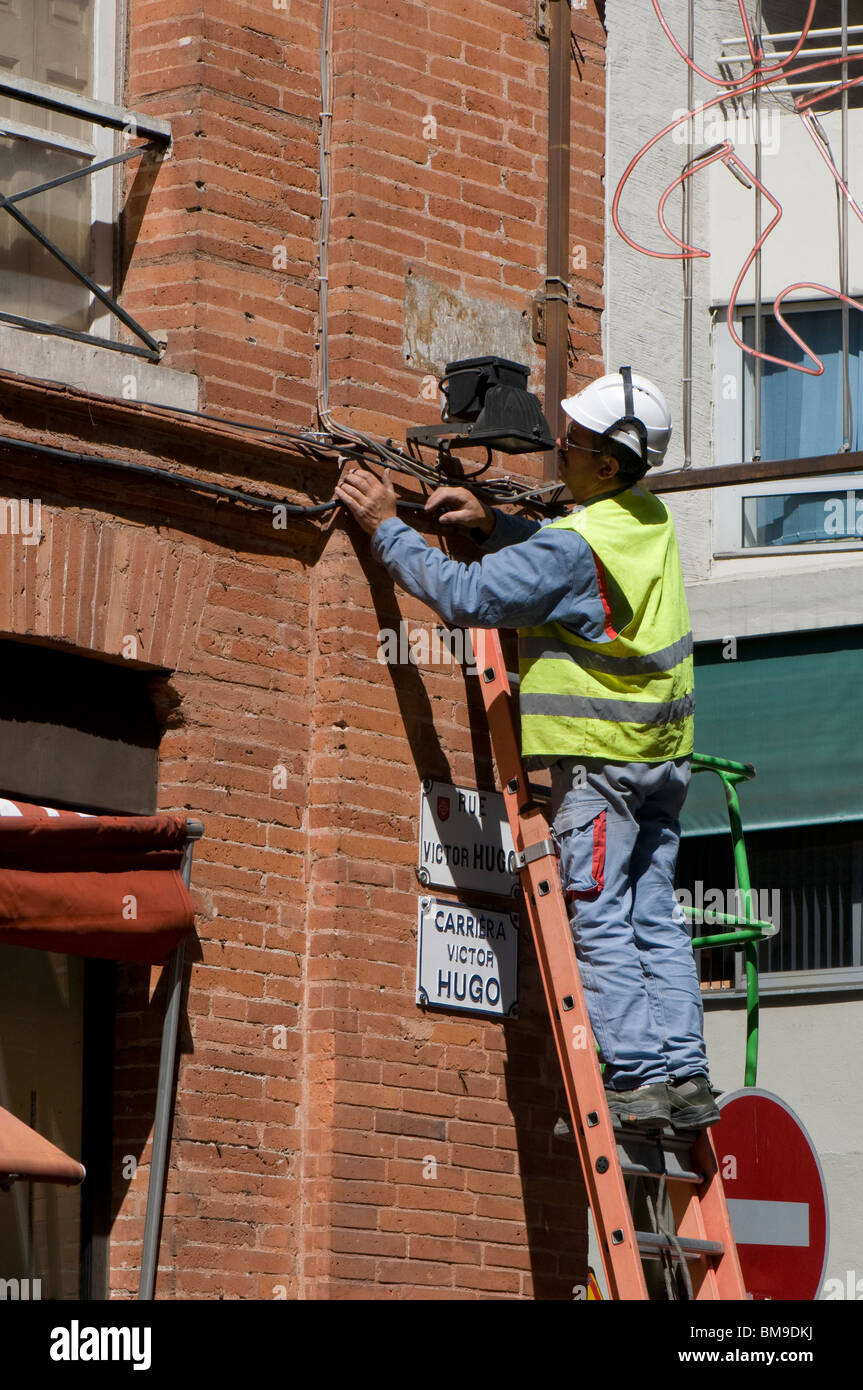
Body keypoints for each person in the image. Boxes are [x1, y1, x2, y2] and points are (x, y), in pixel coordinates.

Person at [335, 368, 718, 1131]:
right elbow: (566, 565)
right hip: (660, 764)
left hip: (599, 763)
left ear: (607, 464)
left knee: (598, 914)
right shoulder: (645, 519)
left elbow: (465, 596)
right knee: (652, 916)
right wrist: (492, 522)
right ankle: (685, 1078)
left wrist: (387, 526)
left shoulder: (579, 543)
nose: (559, 455)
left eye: (572, 444)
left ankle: (637, 1079)